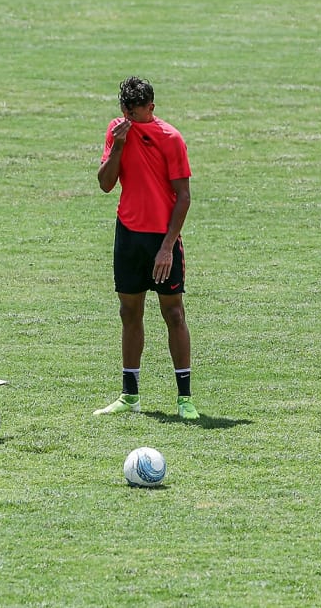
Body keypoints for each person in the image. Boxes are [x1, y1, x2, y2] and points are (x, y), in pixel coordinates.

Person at [93, 76, 198, 420]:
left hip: (161, 239)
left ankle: (184, 398)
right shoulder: (116, 131)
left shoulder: (171, 138)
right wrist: (120, 145)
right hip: (129, 236)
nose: (132, 117)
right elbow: (106, 184)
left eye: (138, 112)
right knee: (129, 313)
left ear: (151, 107)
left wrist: (167, 247)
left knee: (173, 314)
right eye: (127, 111)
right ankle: (130, 395)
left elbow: (183, 197)